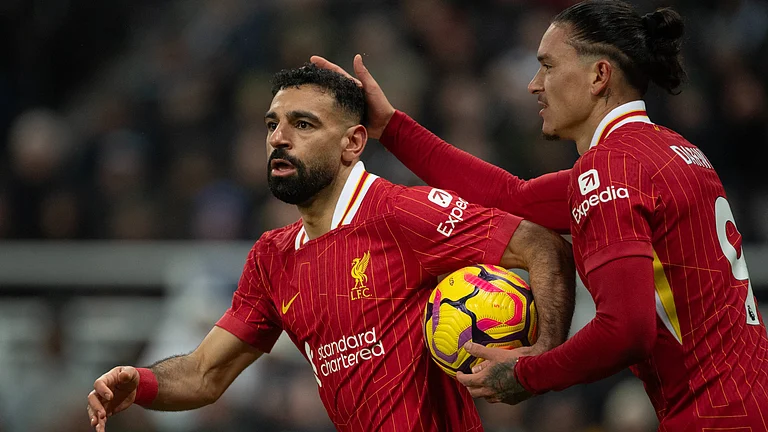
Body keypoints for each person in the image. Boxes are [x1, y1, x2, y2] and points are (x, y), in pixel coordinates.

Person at [311, 0, 768, 430]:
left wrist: (527, 373)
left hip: (717, 415)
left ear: (599, 76)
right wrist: (390, 126)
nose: (534, 83)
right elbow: (512, 197)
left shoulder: (610, 169)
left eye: (548, 65)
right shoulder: (671, 150)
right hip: (747, 396)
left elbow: (626, 330)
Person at [85, 64, 576, 432]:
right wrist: (142, 383)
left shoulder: (403, 213)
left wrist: (543, 355)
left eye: (302, 125)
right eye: (272, 124)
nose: (278, 138)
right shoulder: (272, 257)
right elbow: (203, 374)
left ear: (352, 143)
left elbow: (541, 242)